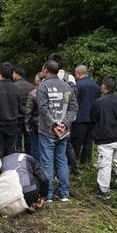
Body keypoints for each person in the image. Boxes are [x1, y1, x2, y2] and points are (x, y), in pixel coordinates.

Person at [37, 60, 78, 202]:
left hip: (47, 131)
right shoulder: (67, 87)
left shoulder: (42, 87)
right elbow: (74, 108)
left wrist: (54, 125)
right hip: (64, 131)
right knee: (62, 160)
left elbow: (43, 109)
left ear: (46, 70)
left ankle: (47, 195)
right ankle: (64, 193)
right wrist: (64, 124)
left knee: (47, 162)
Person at [91, 76, 117, 199]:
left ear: (103, 86)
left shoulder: (99, 102)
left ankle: (103, 190)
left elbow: (94, 117)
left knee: (105, 165)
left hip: (105, 138)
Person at [48, 53, 79, 176]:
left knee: (51, 147)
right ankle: (75, 170)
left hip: (52, 117)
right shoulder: (70, 77)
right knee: (67, 144)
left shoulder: (48, 79)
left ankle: (54, 174)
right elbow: (74, 97)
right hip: (67, 117)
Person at [0, 62, 23, 158]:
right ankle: (9, 169)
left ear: (0, 73)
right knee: (10, 149)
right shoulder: (17, 88)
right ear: (12, 74)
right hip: (12, 122)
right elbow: (20, 107)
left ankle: (0, 170)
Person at [71, 65, 101, 167]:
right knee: (88, 142)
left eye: (75, 74)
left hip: (79, 118)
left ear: (79, 73)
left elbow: (73, 102)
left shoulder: (77, 85)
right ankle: (86, 163)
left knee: (76, 142)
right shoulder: (96, 86)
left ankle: (73, 163)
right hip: (92, 119)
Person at [13, 67, 36, 154]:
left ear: (18, 74)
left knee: (17, 140)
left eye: (13, 73)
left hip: (17, 116)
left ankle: (18, 158)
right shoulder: (32, 87)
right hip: (29, 117)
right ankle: (29, 157)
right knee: (29, 139)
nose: (12, 75)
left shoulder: (14, 87)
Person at [24, 72, 43, 161]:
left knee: (35, 146)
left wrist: (27, 125)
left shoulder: (33, 93)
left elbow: (28, 111)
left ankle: (36, 165)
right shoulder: (53, 91)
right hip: (51, 124)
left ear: (37, 81)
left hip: (36, 123)